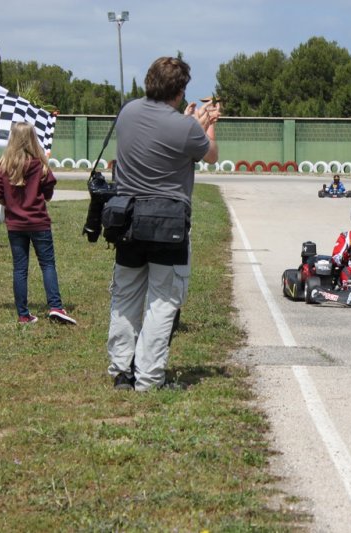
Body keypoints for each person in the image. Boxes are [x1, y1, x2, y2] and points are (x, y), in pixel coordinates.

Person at [107, 56, 220, 392]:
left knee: (125, 296)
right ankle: (149, 377)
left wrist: (188, 122)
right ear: (180, 91)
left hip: (126, 218)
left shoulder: (127, 112)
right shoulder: (185, 127)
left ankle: (121, 371)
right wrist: (208, 122)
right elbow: (209, 153)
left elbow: (159, 134)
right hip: (167, 223)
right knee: (161, 301)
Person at [0, 122, 76, 326]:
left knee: (20, 268)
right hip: (39, 223)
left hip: (15, 225)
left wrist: (12, 206)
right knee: (47, 264)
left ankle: (23, 314)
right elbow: (48, 194)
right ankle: (55, 306)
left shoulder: (2, 166)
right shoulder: (40, 165)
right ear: (32, 139)